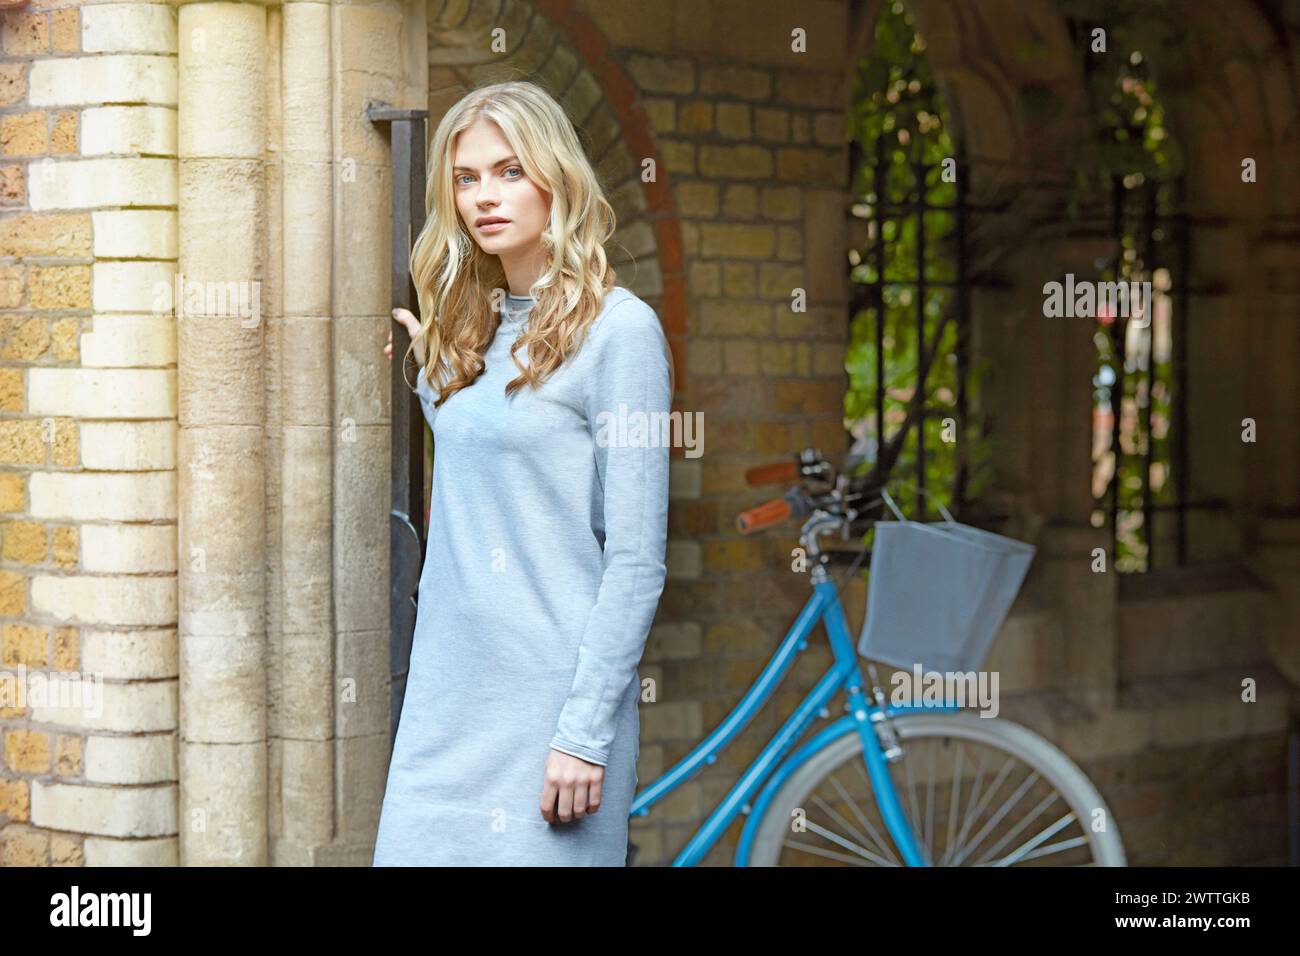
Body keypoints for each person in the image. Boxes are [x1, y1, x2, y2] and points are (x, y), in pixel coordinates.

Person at [372, 80, 673, 866]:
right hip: (446, 701)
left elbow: (637, 560)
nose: (484, 197)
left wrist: (583, 732)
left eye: (509, 171)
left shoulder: (620, 333)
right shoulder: (469, 331)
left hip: (550, 709)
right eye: (466, 179)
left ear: (557, 177)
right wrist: (438, 378)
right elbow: (490, 462)